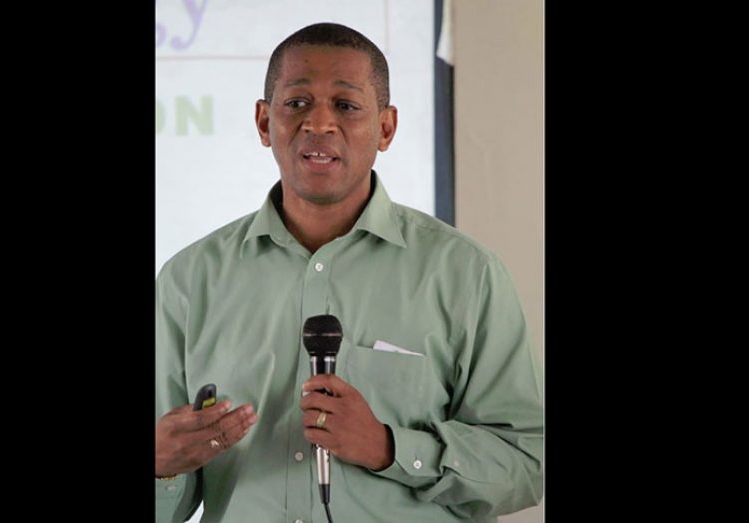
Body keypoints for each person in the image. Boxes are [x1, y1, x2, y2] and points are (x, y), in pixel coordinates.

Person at [155, 22, 543, 523]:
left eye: (345, 105)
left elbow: (527, 465)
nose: (318, 123)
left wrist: (389, 447)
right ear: (264, 121)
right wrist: (162, 466)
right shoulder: (188, 281)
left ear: (385, 128)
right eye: (297, 103)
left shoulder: (466, 274)